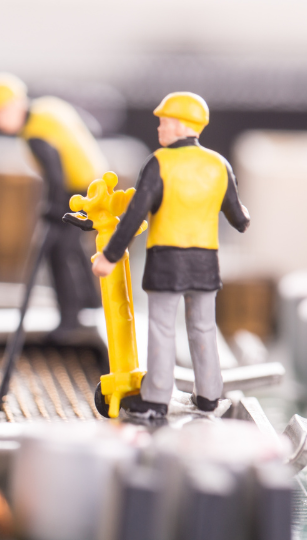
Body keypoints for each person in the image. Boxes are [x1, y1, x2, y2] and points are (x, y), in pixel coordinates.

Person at [92, 92, 250, 418]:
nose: (160, 128)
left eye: (164, 122)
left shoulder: (159, 162)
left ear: (181, 125)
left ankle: (156, 398)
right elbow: (238, 217)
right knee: (203, 327)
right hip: (205, 262)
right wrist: (244, 217)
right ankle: (208, 395)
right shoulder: (218, 165)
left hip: (167, 260)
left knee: (163, 328)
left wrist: (110, 255)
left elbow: (135, 214)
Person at [0, 73, 105, 341]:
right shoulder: (49, 108)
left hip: (76, 191)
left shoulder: (36, 132)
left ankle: (70, 319)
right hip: (94, 184)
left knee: (58, 250)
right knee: (73, 246)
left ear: (14, 106)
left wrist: (52, 207)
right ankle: (91, 303)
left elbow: (56, 172)